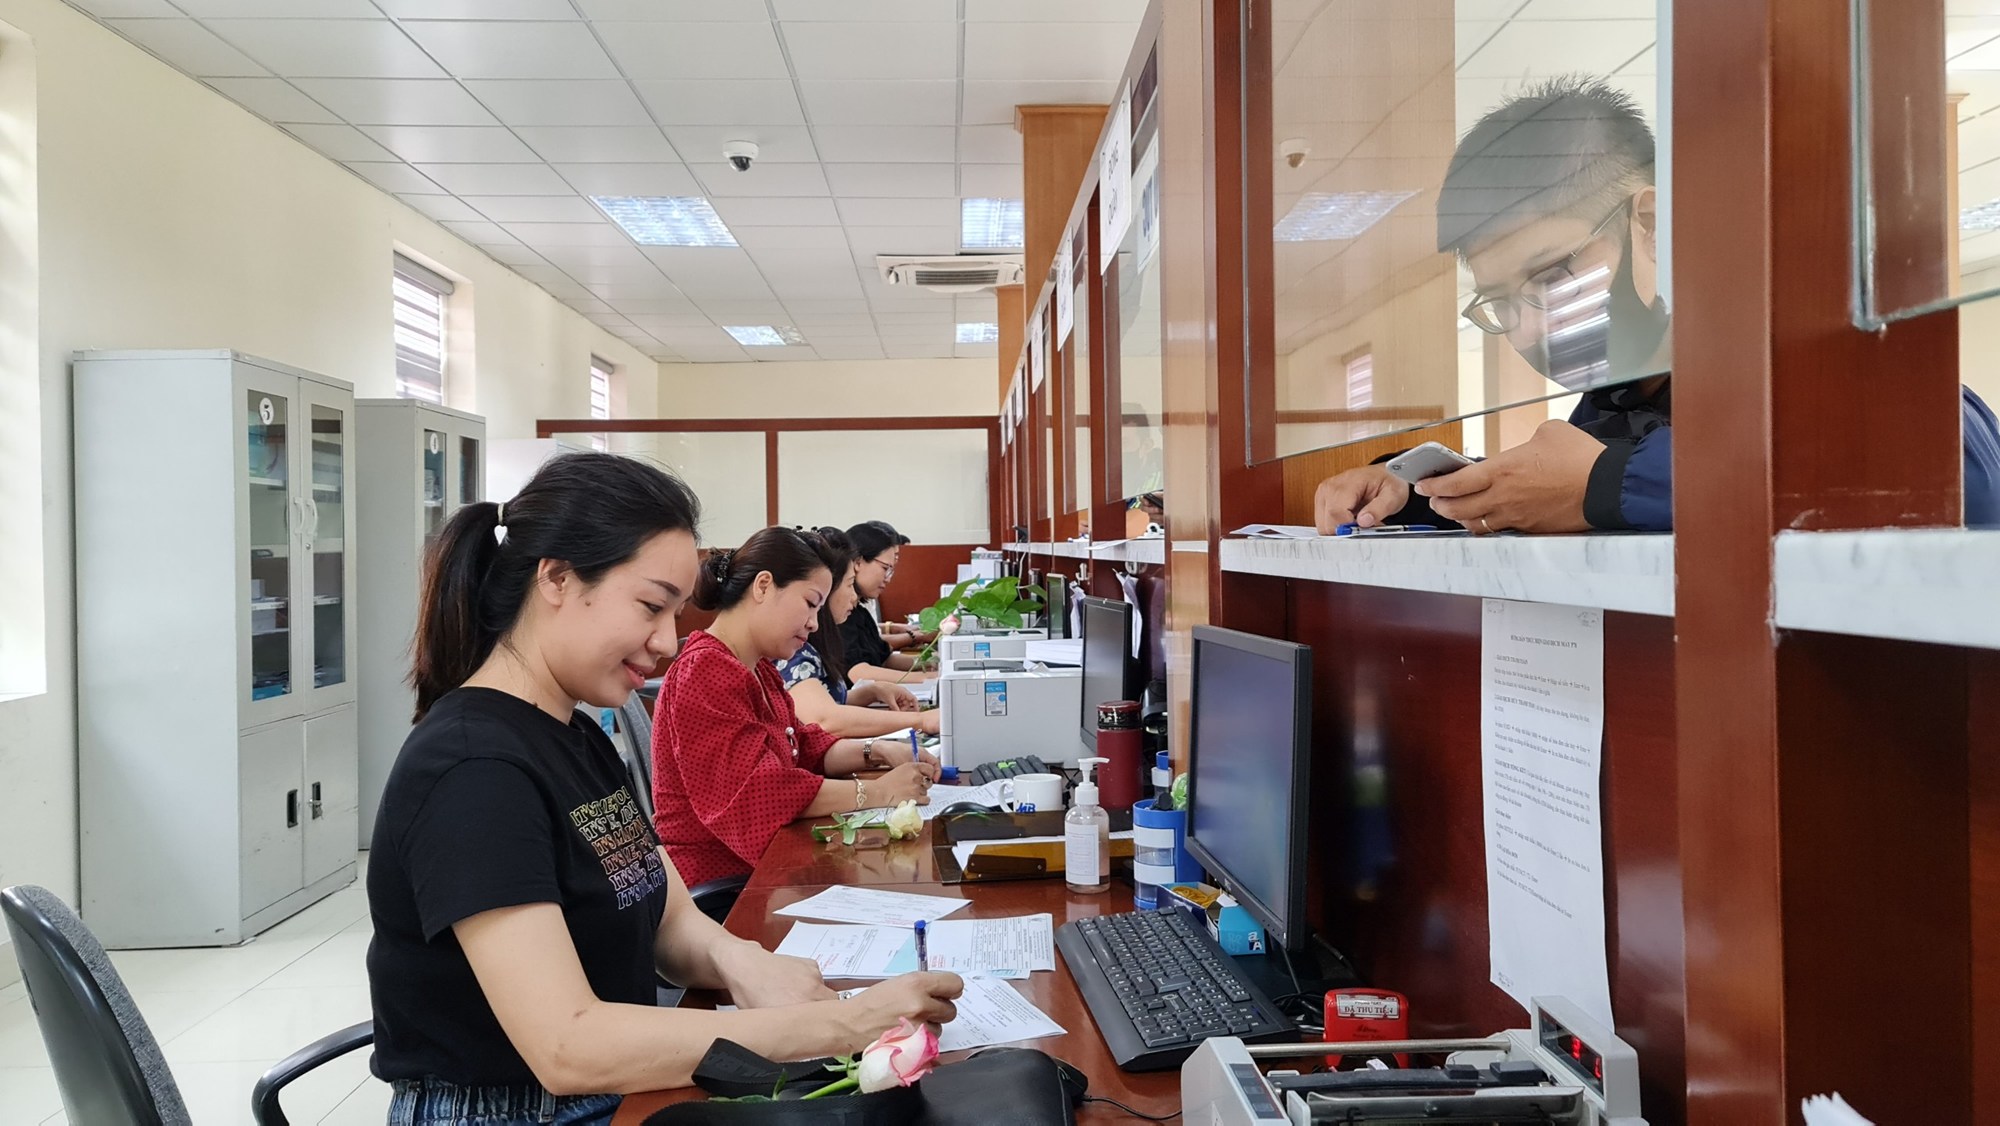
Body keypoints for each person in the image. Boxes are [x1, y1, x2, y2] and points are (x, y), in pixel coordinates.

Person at [367, 454, 962, 1125]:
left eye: (675, 611)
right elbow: (567, 1045)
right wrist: (844, 1025)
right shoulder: (474, 769)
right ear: (556, 577)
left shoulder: (575, 737)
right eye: (651, 606)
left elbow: (670, 916)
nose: (668, 641)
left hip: (615, 1088)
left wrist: (741, 962)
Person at [1312, 75, 2000, 535]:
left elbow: (1956, 467)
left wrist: (1607, 483)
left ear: (1650, 224)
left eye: (1552, 273)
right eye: (1501, 302)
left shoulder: (1783, 342)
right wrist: (1421, 495)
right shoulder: (1613, 402)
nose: (1533, 326)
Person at [651, 526, 941, 887]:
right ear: (763, 586)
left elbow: (802, 745)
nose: (813, 623)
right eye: (809, 603)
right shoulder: (707, 671)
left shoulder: (758, 668)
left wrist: (877, 750)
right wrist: (880, 792)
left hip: (766, 864)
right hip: (728, 884)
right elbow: (761, 794)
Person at [777, 526, 942, 739]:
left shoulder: (814, 644)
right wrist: (920, 721)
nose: (854, 597)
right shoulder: (793, 650)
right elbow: (824, 719)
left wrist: (871, 692)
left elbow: (823, 700)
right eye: (849, 585)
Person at [839, 520, 936, 682]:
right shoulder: (840, 614)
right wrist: (925, 677)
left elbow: (883, 658)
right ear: (857, 562)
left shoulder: (860, 613)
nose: (888, 578)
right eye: (885, 568)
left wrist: (934, 664)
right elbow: (857, 672)